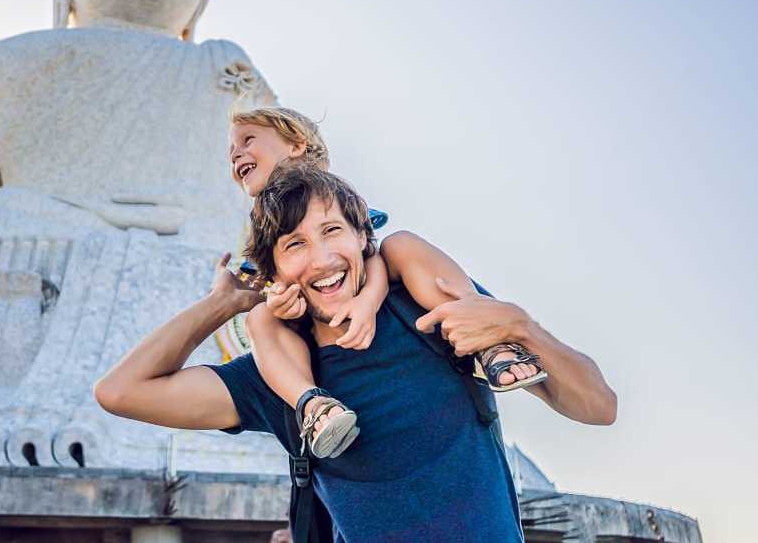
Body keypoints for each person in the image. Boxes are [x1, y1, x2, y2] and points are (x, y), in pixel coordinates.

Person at [94, 165, 617, 543]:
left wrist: (524, 327)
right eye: (294, 245)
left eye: (331, 231)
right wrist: (223, 303)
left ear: (364, 238)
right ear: (275, 273)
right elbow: (121, 391)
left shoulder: (427, 311)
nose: (321, 259)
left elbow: (598, 406)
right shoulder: (278, 379)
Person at [227, 108, 545, 458]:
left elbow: (374, 254)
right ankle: (311, 404)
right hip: (317, 312)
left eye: (247, 140)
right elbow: (269, 281)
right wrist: (277, 302)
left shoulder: (330, 196)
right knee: (259, 319)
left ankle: (485, 336)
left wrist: (369, 300)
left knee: (402, 246)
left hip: (368, 283)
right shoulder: (264, 219)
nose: (236, 154)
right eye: (231, 150)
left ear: (296, 144)